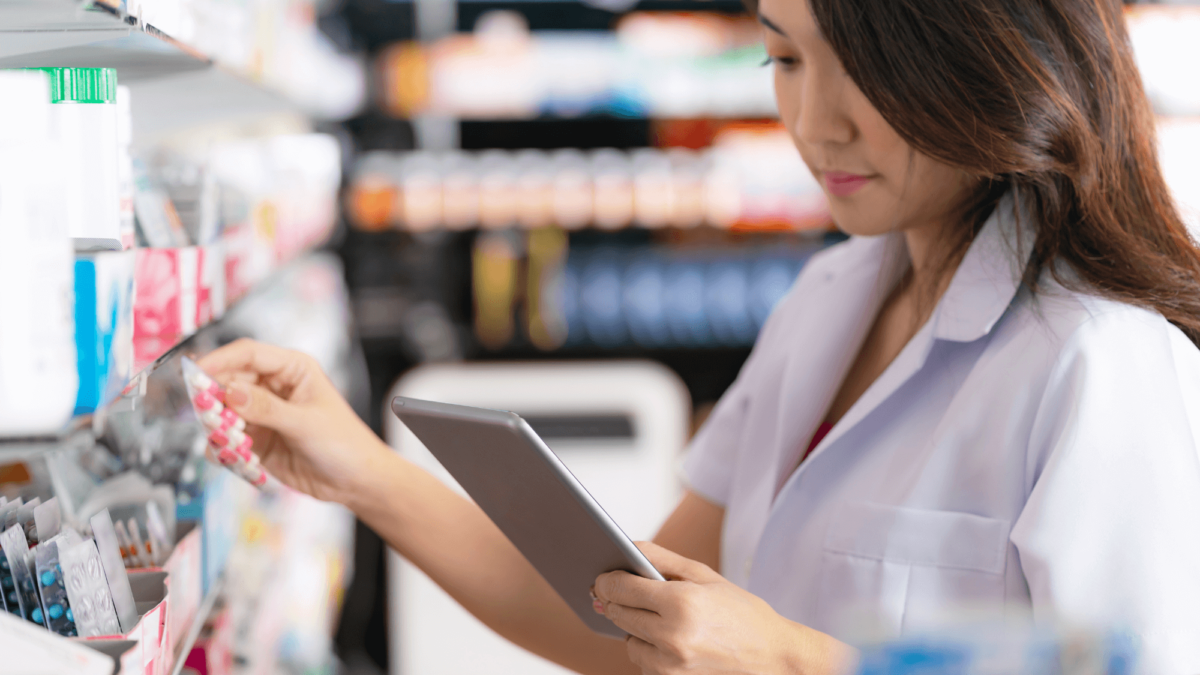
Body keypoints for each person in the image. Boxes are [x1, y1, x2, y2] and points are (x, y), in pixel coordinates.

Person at [199, 0, 1200, 671]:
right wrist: (358, 468)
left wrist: (787, 659)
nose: (815, 123)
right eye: (785, 58)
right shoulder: (832, 297)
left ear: (988, 64)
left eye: (866, 68)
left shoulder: (1098, 361)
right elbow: (624, 619)